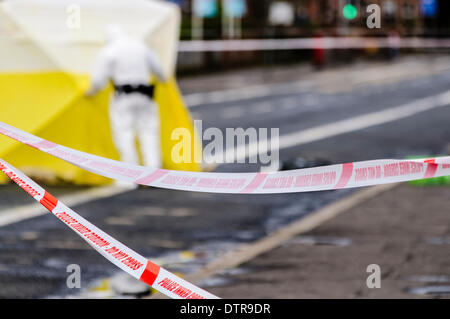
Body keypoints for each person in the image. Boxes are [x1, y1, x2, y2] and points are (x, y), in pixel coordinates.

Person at [86, 25, 167, 171]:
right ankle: (153, 170)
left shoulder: (109, 52)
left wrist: (89, 93)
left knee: (124, 134)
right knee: (149, 131)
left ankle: (131, 172)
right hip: (145, 95)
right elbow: (159, 71)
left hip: (123, 97)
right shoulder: (141, 47)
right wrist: (163, 80)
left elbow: (98, 81)